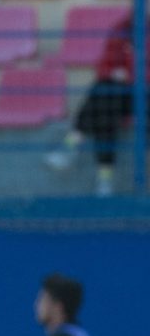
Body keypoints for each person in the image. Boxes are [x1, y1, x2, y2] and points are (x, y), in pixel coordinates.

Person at [43, 11, 147, 197]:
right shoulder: (124, 27)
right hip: (123, 92)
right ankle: (103, 181)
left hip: (143, 93)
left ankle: (73, 149)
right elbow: (105, 64)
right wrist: (114, 73)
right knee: (103, 102)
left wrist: (129, 75)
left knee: (103, 96)